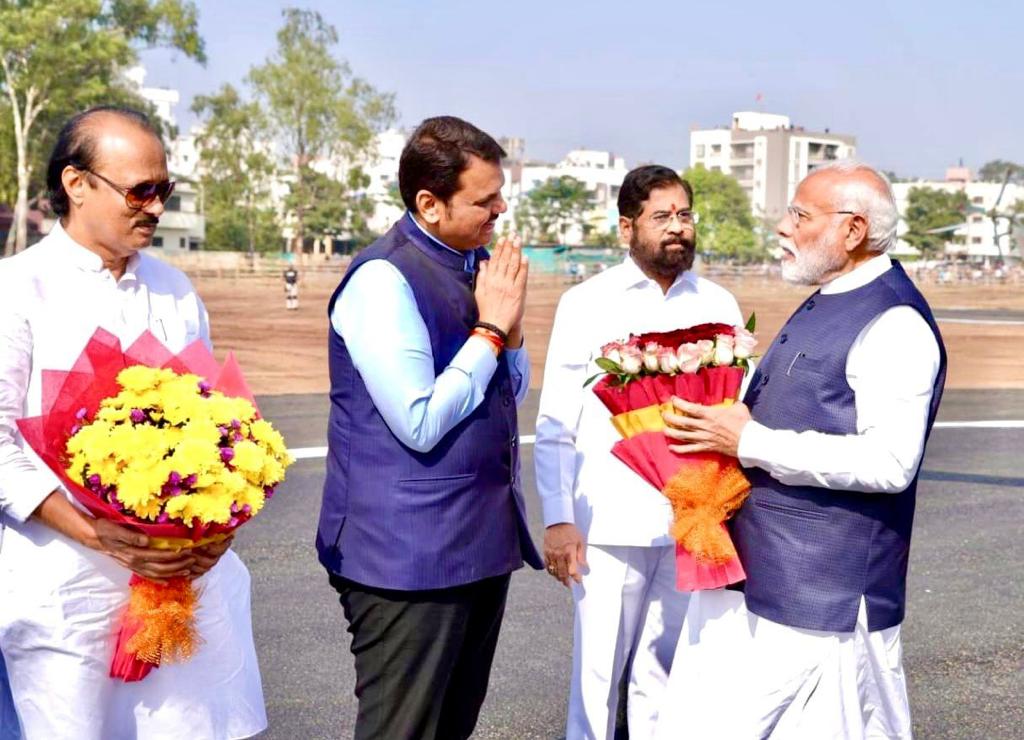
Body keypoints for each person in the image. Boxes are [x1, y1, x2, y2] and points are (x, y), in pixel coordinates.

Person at [0, 106, 265, 740]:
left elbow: (214, 423)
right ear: (77, 184)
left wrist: (214, 524)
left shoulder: (174, 289)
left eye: (163, 190)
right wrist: (99, 534)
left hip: (187, 587)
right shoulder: (17, 289)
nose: (155, 206)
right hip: (70, 585)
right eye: (139, 190)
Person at [657, 161, 946, 739]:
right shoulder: (830, 296)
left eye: (800, 215)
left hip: (824, 599)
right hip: (757, 579)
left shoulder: (894, 322)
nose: (783, 227)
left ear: (853, 230)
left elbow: (890, 463)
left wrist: (750, 440)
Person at [316, 115, 543, 740]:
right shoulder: (384, 278)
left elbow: (509, 390)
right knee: (403, 730)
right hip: (407, 559)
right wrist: (491, 330)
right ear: (429, 203)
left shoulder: (475, 263)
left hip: (477, 545)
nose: (500, 210)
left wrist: (511, 332)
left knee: (451, 726)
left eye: (501, 195)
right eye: (484, 200)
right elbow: (419, 422)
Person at [534, 165, 743, 739]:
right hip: (608, 524)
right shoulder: (587, 303)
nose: (677, 228)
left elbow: (733, 414)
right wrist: (558, 519)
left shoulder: (721, 304)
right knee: (597, 677)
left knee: (668, 675)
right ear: (627, 227)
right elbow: (556, 423)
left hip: (691, 523)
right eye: (662, 217)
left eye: (685, 215)